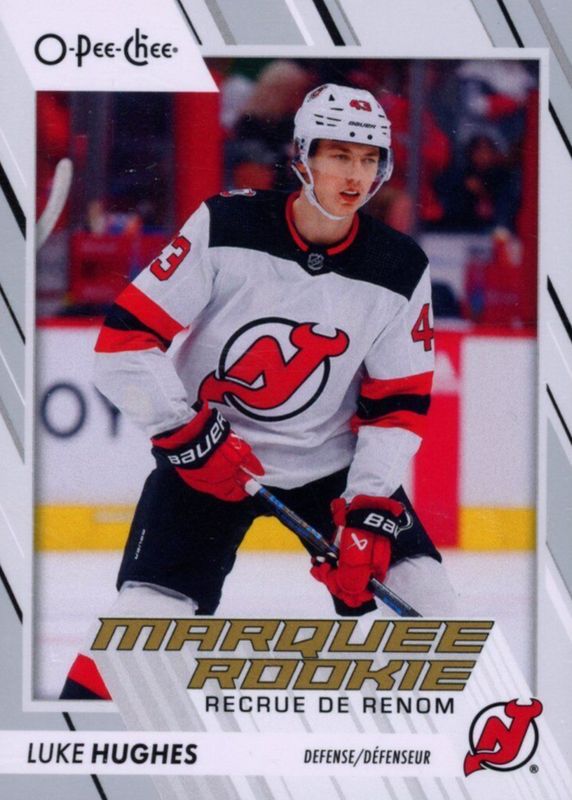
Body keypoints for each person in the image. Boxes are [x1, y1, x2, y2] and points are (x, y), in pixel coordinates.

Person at [60, 84, 456, 700]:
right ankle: (74, 741)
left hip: (330, 467)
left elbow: (397, 405)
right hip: (209, 461)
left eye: (368, 159)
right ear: (303, 156)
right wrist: (186, 434)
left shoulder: (400, 266)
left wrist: (367, 508)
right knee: (144, 620)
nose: (355, 175)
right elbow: (122, 346)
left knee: (434, 605)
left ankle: (459, 746)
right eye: (339, 155)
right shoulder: (226, 223)